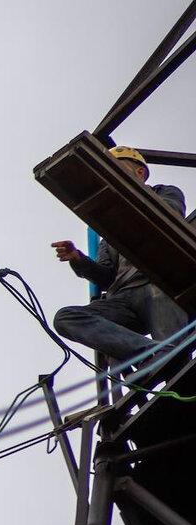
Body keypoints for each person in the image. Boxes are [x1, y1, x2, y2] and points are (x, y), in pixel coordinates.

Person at [51, 145, 190, 383]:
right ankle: (147, 351)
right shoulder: (108, 235)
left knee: (175, 361)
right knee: (65, 318)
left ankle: (168, 358)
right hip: (123, 299)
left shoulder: (164, 192)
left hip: (159, 282)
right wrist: (78, 259)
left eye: (118, 169)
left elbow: (169, 214)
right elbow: (105, 277)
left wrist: (123, 205)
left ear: (139, 173)